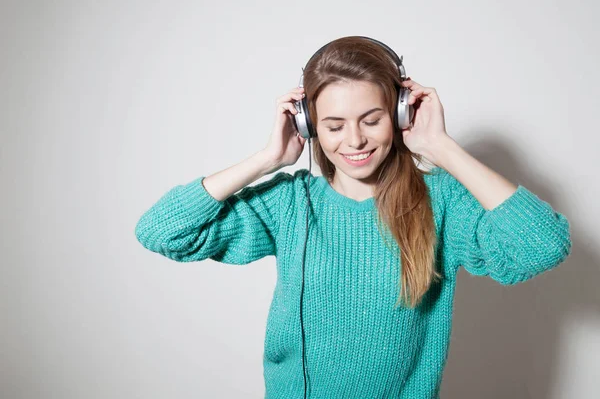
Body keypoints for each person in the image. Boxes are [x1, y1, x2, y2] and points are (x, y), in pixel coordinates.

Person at [134, 36, 572, 398]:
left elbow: (543, 245)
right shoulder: (291, 204)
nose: (355, 139)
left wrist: (441, 148)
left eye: (371, 119)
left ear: (400, 114)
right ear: (308, 126)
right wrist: (268, 159)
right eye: (334, 124)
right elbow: (161, 232)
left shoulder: (441, 203)